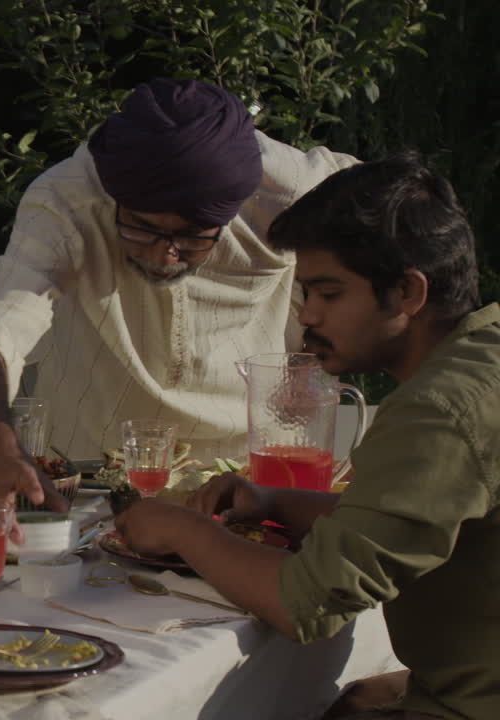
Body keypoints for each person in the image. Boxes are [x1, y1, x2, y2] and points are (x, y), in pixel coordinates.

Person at [115, 153, 499, 719]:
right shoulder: (482, 358)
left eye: (330, 294)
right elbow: (424, 516)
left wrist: (182, 527)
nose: (309, 317)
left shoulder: (437, 409)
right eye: (305, 296)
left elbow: (304, 603)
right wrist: (274, 501)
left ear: (409, 294)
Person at [0, 77, 360, 511]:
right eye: (142, 228)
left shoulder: (288, 189)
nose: (166, 255)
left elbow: (391, 227)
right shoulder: (67, 201)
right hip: (95, 479)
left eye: (193, 235)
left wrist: (319, 334)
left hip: (251, 479)